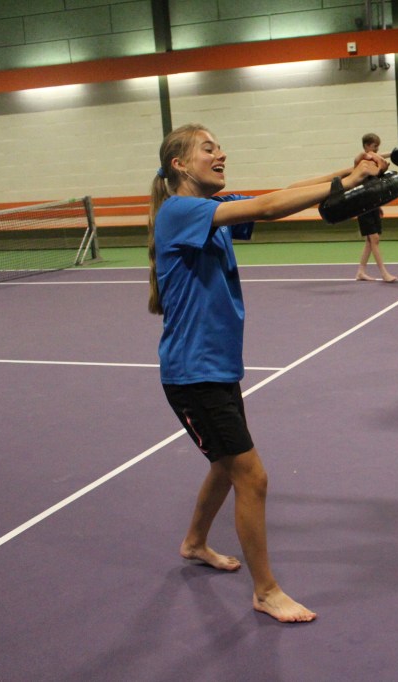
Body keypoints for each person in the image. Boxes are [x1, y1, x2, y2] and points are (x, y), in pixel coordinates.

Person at [147, 123, 381, 622]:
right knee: (251, 477)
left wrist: (350, 171)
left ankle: (194, 543)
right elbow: (270, 207)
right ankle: (266, 591)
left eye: (220, 147)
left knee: (224, 465)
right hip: (194, 375)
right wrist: (352, 181)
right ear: (179, 165)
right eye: (208, 148)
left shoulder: (210, 212)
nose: (221, 153)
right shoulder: (181, 211)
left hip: (216, 368)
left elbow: (286, 192)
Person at [355, 133, 398, 283]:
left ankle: (361, 271)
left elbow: (372, 186)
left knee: (370, 241)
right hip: (362, 205)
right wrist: (390, 154)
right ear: (367, 146)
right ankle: (384, 273)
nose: (377, 150)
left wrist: (378, 205)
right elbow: (371, 156)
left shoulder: (374, 162)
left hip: (372, 204)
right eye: (375, 146)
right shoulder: (361, 160)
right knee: (374, 239)